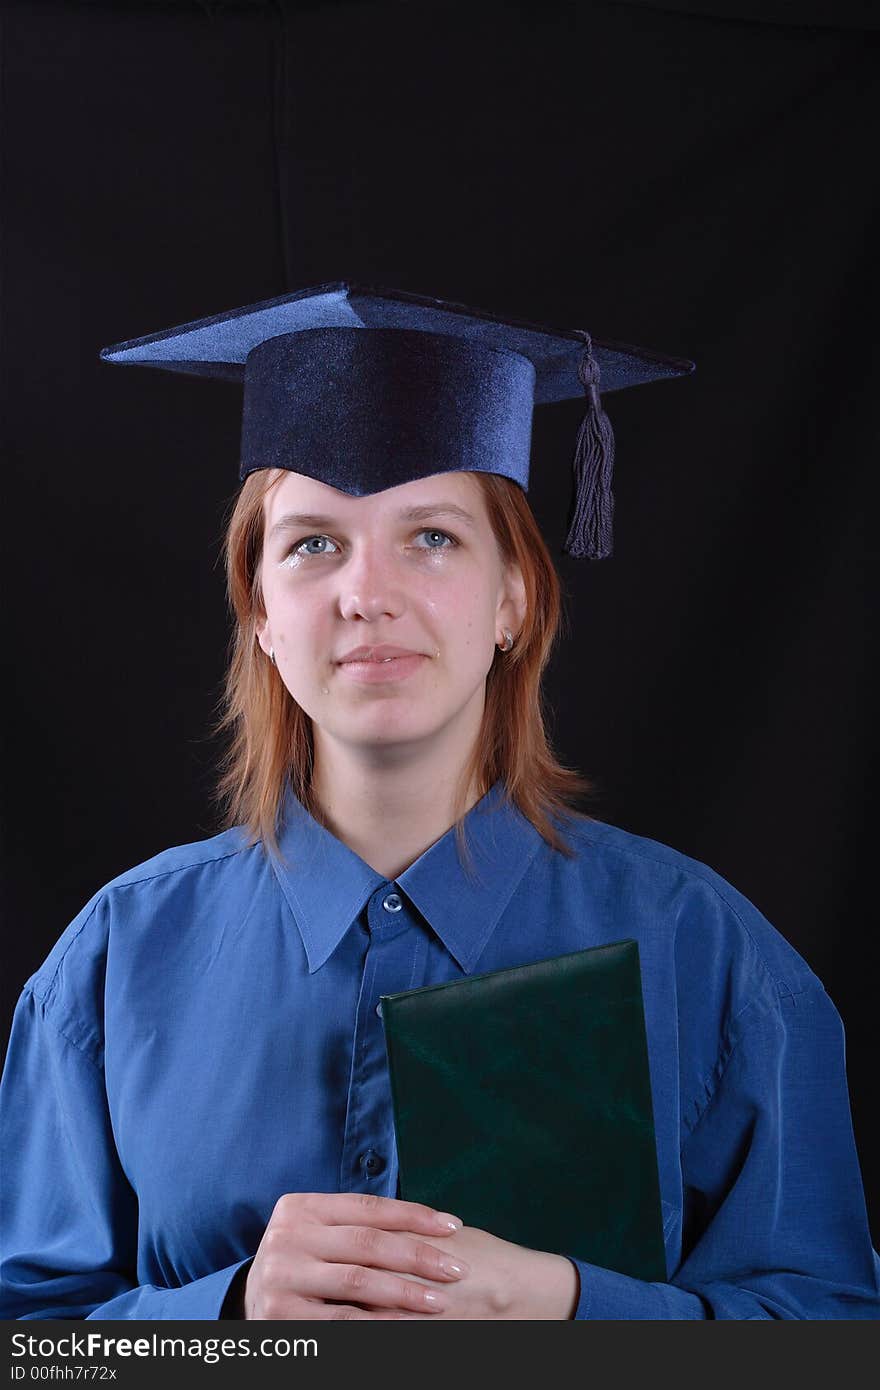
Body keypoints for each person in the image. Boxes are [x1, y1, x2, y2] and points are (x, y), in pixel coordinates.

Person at [1, 284, 877, 1321]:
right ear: (261, 615)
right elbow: (33, 1344)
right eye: (313, 543)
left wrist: (565, 1306)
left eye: (431, 537)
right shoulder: (116, 962)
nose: (367, 592)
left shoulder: (706, 951)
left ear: (514, 598)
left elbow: (830, 1334)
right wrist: (225, 1318)